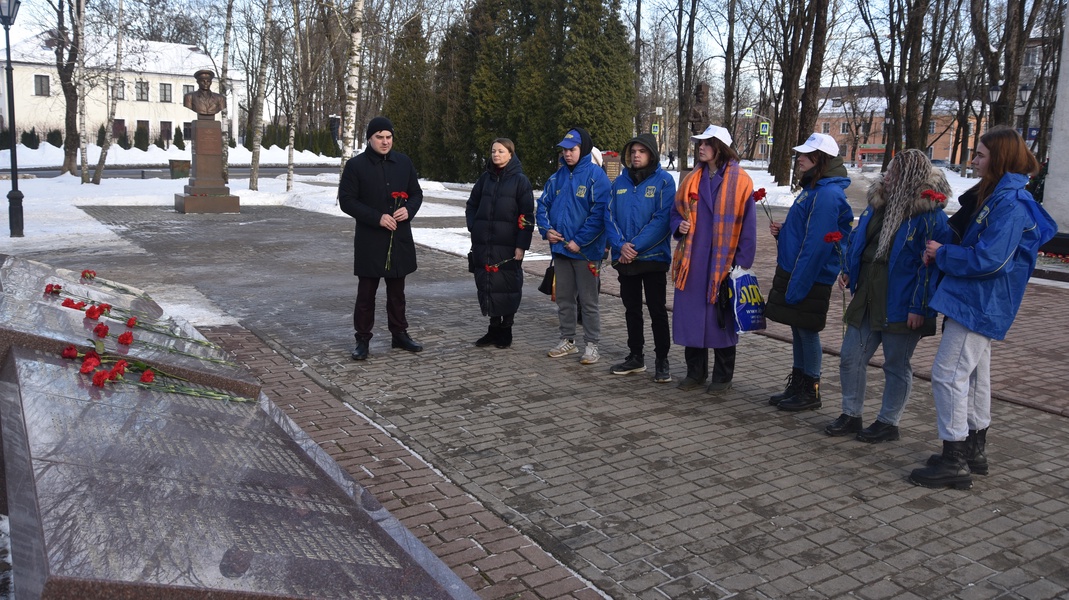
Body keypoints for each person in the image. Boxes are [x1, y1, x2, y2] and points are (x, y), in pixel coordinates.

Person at [909, 127, 1056, 490]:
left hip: (979, 301)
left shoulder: (1010, 203)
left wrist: (942, 254)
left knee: (948, 374)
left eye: (981, 155)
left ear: (1000, 159)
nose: (973, 161)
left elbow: (991, 260)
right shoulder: (997, 196)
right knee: (975, 375)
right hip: (977, 299)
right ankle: (973, 449)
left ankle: (954, 458)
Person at [824, 149, 952, 442]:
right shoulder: (877, 204)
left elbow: (929, 268)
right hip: (868, 293)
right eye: (889, 170)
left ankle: (888, 422)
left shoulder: (930, 216)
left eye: (895, 173)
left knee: (895, 364)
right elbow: (859, 238)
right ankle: (851, 414)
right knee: (850, 356)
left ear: (910, 178)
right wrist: (849, 269)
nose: (887, 176)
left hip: (902, 302)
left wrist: (919, 307)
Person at [764, 132, 853, 411]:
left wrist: (798, 283)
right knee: (799, 329)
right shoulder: (814, 189)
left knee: (807, 330)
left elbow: (817, 245)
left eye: (805, 154)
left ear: (820, 159)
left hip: (809, 275)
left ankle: (810, 389)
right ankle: (799, 384)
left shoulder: (826, 194)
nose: (799, 158)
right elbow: (805, 233)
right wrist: (785, 233)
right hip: (799, 272)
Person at [669, 125, 756, 393]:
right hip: (693, 264)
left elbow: (748, 227)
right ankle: (695, 373)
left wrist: (739, 265)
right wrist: (678, 226)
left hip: (723, 264)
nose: (700, 148)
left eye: (707, 143)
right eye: (700, 143)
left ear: (720, 147)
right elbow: (675, 213)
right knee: (693, 320)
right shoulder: (691, 179)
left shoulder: (741, 181)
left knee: (722, 321)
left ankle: (722, 377)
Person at [338, 116, 424, 360]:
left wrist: (409, 209)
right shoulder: (356, 166)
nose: (385, 142)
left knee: (397, 293)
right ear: (369, 139)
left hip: (398, 238)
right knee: (366, 294)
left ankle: (400, 335)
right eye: (379, 137)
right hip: (370, 240)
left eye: (389, 137)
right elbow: (347, 201)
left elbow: (416, 193)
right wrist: (376, 217)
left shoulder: (404, 163)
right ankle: (362, 339)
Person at [536, 127, 610, 365]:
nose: (567, 154)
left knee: (588, 301)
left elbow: (600, 214)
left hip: (586, 252)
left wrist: (580, 241)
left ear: (584, 149)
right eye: (565, 150)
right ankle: (567, 339)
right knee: (564, 299)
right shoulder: (556, 177)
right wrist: (547, 231)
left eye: (572, 149)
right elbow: (542, 206)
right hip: (561, 251)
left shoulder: (596, 177)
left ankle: (591, 345)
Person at [606, 133, 676, 382]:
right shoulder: (619, 183)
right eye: (633, 151)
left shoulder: (665, 182)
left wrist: (633, 246)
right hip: (626, 259)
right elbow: (609, 216)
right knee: (631, 309)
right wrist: (620, 245)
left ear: (652, 154)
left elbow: (662, 220)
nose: (636, 155)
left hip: (653, 257)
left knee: (657, 310)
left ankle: (662, 359)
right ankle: (635, 356)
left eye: (642, 151)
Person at [465, 139, 535, 349]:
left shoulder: (521, 181)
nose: (496, 155)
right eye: (493, 151)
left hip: (508, 244)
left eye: (501, 151)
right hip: (485, 244)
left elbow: (527, 216)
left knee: (509, 286)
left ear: (511, 154)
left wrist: (521, 245)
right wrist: (474, 226)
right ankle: (493, 328)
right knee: (488, 284)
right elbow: (472, 204)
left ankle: (507, 329)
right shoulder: (485, 179)